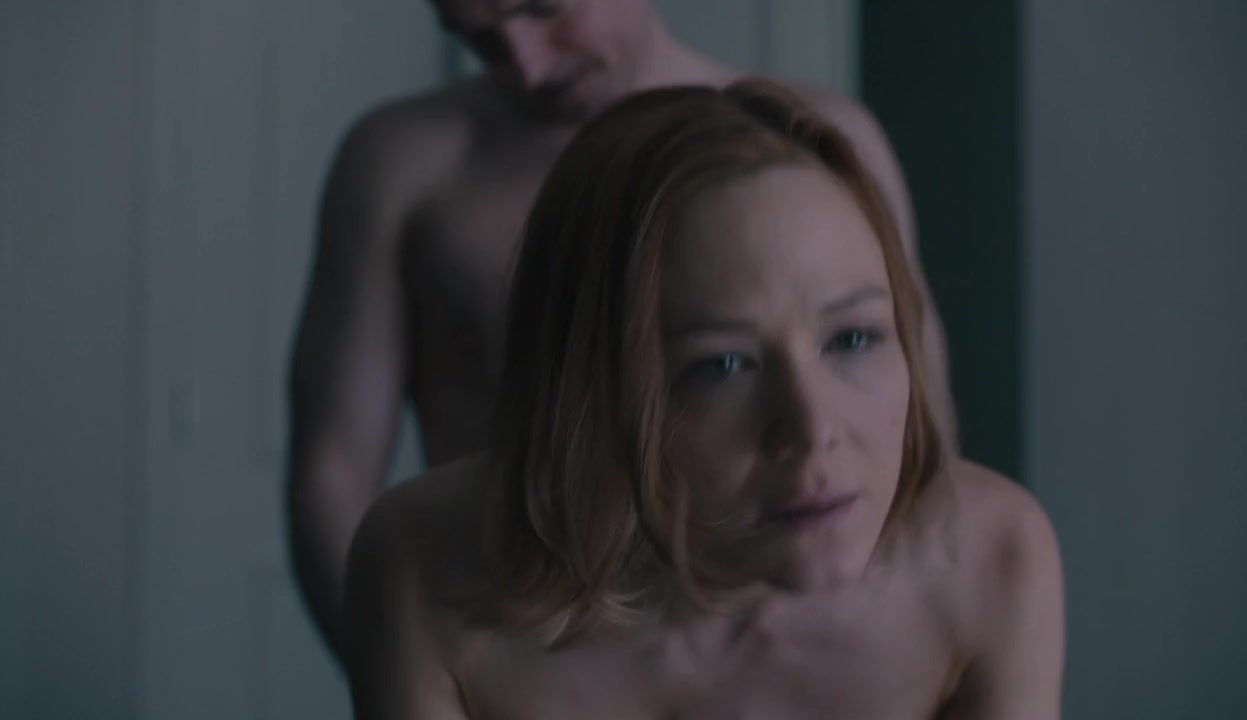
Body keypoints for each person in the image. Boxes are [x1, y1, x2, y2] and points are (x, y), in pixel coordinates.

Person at [343, 80, 1063, 719]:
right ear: (595, 391)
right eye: (723, 366)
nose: (813, 430)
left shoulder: (992, 562)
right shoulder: (425, 573)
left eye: (852, 338)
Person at [287, 0, 957, 657]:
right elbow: (333, 474)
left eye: (543, 11)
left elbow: (925, 429)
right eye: (482, 39)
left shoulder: (816, 144)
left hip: (798, 648)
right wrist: (408, 670)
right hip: (524, 647)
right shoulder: (404, 168)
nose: (526, 64)